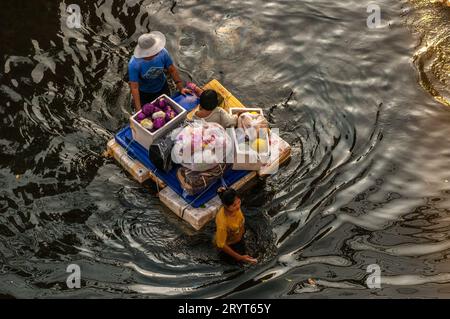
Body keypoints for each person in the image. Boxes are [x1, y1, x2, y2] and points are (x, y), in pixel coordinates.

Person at [128, 31, 192, 112]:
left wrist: (181, 88)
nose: (157, 51)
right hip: (144, 92)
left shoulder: (162, 53)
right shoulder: (134, 64)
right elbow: (134, 87)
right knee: (147, 113)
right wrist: (138, 109)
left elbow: (172, 70)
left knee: (166, 109)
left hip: (162, 87)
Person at [214, 187, 258, 264]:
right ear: (226, 206)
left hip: (239, 237)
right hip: (230, 245)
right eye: (234, 205)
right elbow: (221, 245)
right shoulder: (223, 222)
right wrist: (240, 257)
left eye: (239, 202)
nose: (238, 206)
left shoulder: (235, 209)